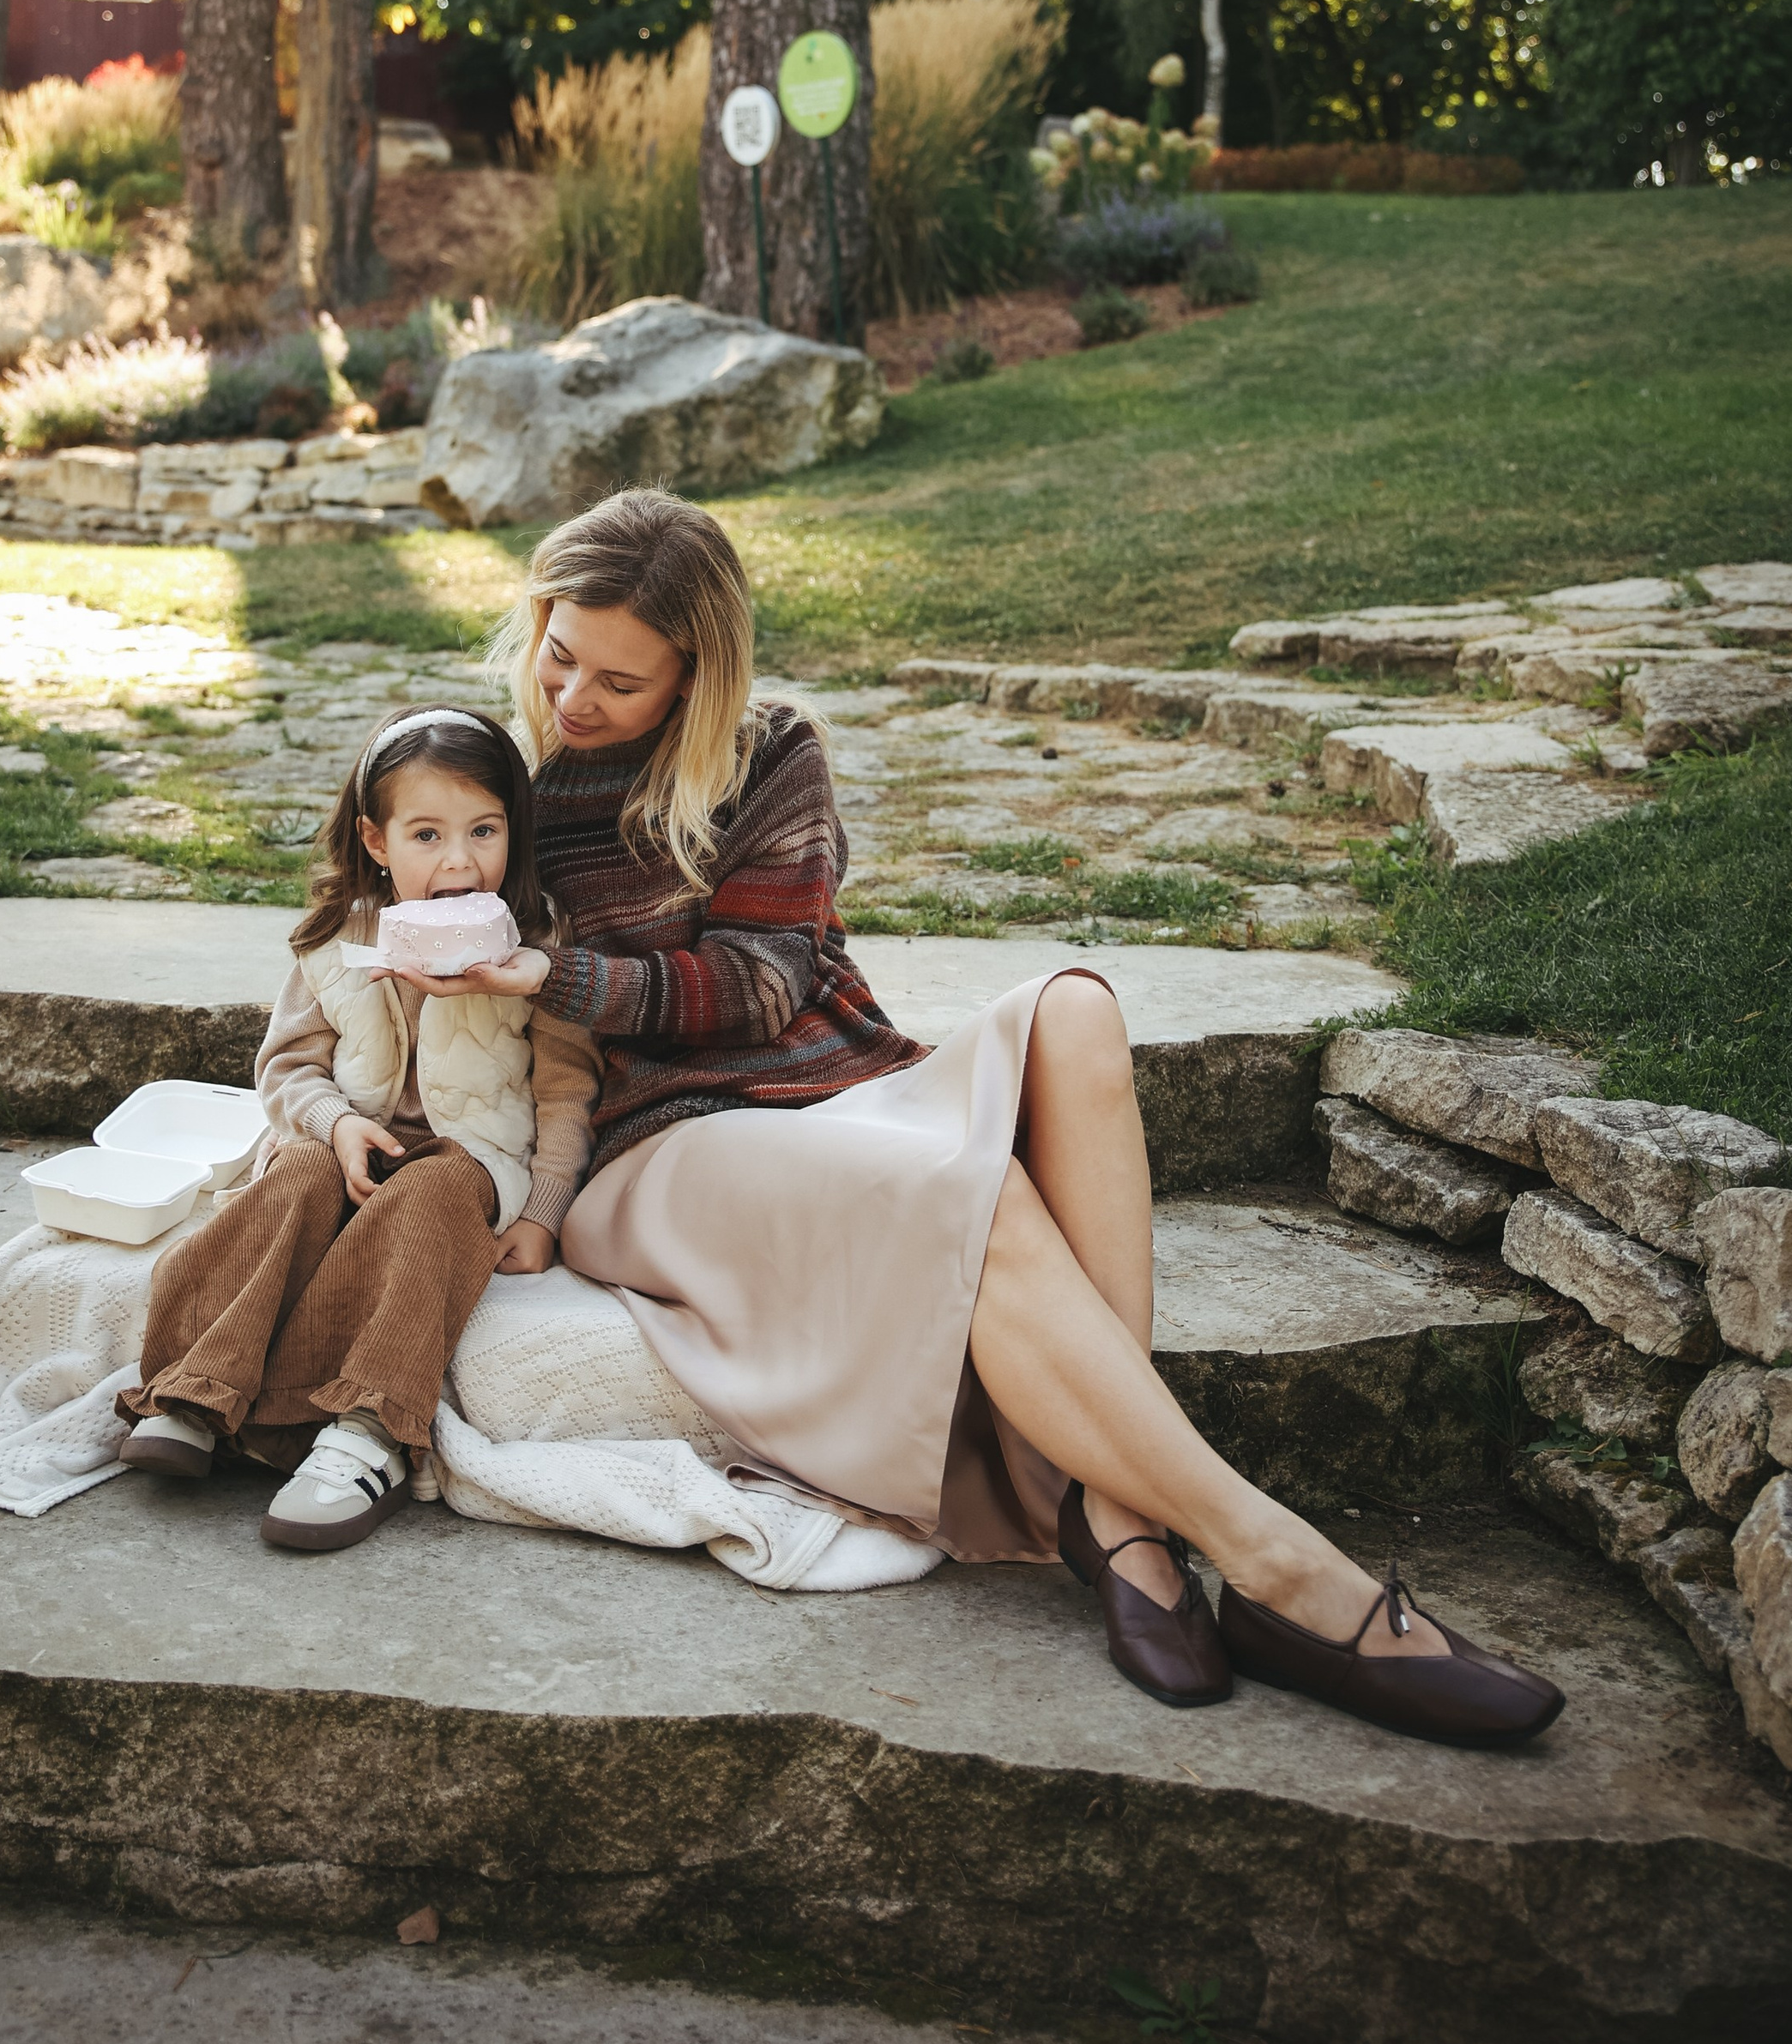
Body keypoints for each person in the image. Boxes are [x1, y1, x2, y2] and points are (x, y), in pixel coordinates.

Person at [410, 487, 1563, 1746]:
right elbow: (372, 915)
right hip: (667, 1146)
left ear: (695, 682)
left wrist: (557, 969)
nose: (574, 699)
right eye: (558, 654)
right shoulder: (504, 799)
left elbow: (763, 984)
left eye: (620, 685)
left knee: (1072, 1004)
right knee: (982, 1195)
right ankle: (1283, 1571)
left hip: (839, 1087)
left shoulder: (769, 753)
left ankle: (1115, 1514)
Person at [115, 704, 600, 1553]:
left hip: (470, 1162)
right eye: (425, 835)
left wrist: (541, 1213)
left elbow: (566, 1091)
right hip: (348, 1150)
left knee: (439, 1186)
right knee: (293, 1172)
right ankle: (195, 1387)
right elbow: (287, 1069)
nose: (459, 860)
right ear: (376, 842)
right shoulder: (336, 939)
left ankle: (368, 1430)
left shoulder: (539, 947)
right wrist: (334, 1125)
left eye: (484, 830)